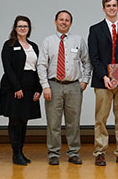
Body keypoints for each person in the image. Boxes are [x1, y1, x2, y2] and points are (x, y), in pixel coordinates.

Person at [37, 10, 91, 165]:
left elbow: (87, 62)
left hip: (74, 86)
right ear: (55, 22)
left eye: (67, 20)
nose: (64, 22)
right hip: (53, 85)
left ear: (71, 23)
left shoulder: (78, 40)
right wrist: (45, 86)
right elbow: (41, 65)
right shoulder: (48, 41)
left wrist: (85, 81)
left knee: (73, 123)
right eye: (61, 19)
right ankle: (53, 153)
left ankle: (73, 152)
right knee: (53, 123)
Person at [88, 0, 118, 166]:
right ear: (103, 9)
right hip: (103, 81)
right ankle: (100, 152)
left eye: (114, 5)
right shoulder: (95, 30)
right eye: (108, 5)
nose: (112, 8)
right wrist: (104, 76)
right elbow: (94, 57)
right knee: (101, 118)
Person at [0, 15, 42, 165]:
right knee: (15, 120)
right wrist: (17, 87)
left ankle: (21, 152)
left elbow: (38, 69)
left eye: (25, 26)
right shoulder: (9, 45)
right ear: (15, 28)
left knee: (24, 120)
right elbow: (7, 68)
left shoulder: (34, 46)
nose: (22, 29)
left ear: (29, 29)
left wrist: (38, 88)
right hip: (14, 87)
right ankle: (16, 154)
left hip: (30, 88)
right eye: (20, 26)